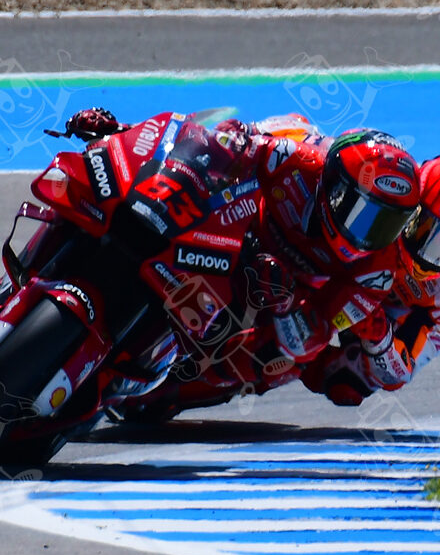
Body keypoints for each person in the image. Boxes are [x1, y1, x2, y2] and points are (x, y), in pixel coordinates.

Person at [66, 107, 421, 412]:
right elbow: (207, 142)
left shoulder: (376, 273)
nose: (367, 235)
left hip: (277, 296)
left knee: (281, 363)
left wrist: (285, 303)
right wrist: (125, 132)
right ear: (334, 186)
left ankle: (161, 391)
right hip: (230, 228)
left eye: (385, 225)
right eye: (362, 215)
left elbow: (316, 334)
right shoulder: (297, 160)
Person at [301, 156, 440, 406]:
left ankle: (295, 361)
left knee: (349, 383)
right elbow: (335, 156)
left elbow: (401, 371)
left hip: (376, 317)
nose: (426, 253)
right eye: (423, 228)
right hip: (333, 265)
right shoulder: (393, 187)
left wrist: (378, 337)